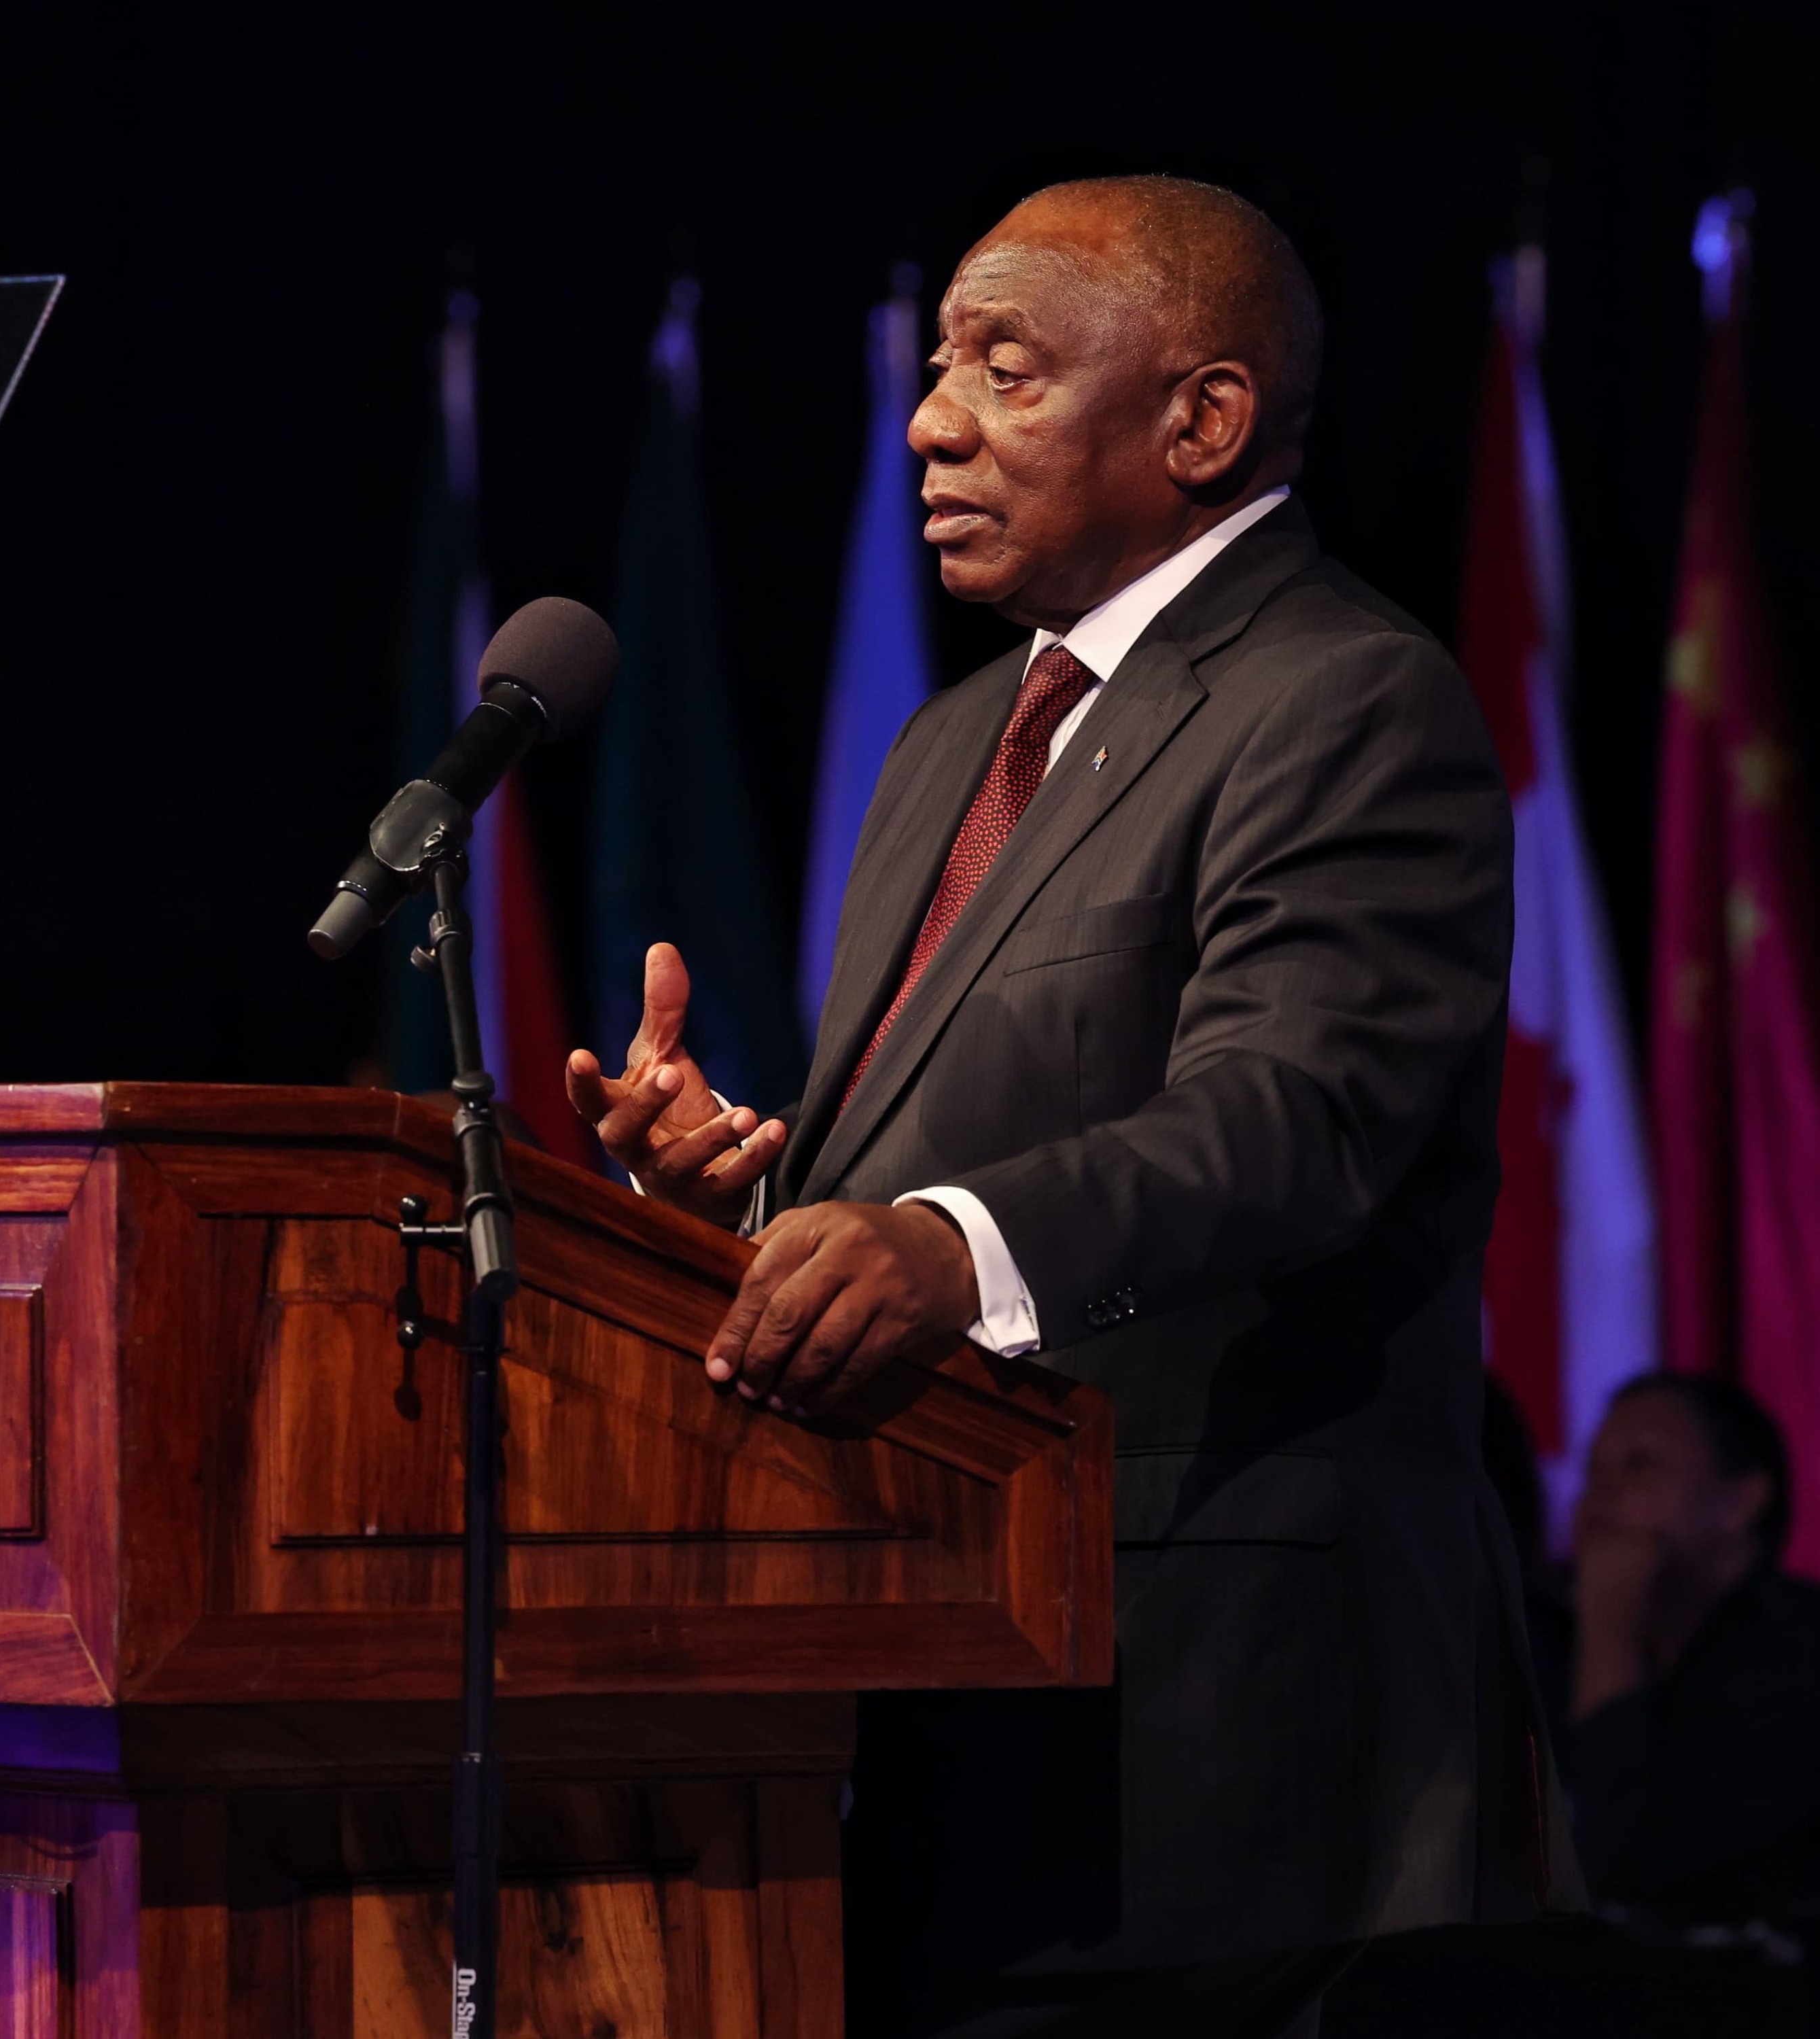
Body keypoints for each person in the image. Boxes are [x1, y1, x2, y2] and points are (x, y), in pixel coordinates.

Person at [569, 175, 1572, 2039]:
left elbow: (1294, 1117)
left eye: (1005, 368)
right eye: (942, 363)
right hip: (948, 1689)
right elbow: (964, 1151)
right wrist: (764, 1188)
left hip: (1222, 1747)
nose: (932, 417)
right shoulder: (959, 736)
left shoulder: (1345, 697)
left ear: (1200, 420)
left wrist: (937, 1249)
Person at [1568, 1372, 1820, 1927]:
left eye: (1640, 1464)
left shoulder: (1797, 1655)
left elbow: (1623, 1868)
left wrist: (1608, 1630)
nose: (1600, 1493)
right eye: (1593, 1471)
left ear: (1739, 1502)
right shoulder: (1555, 1635)